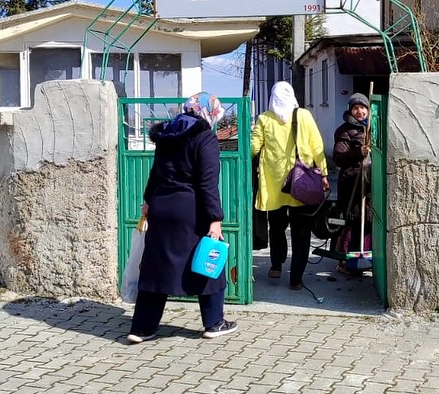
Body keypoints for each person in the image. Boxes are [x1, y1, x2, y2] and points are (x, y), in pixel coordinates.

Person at [128, 92, 237, 343]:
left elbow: (156, 172)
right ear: (208, 112)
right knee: (209, 262)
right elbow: (207, 183)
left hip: (161, 208)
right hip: (191, 211)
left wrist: (147, 201)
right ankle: (214, 323)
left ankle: (142, 328)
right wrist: (215, 218)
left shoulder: (167, 133)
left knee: (156, 267)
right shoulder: (205, 137)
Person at [251, 81, 328, 290]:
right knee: (301, 232)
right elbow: (317, 145)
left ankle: (276, 265)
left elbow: (253, 148)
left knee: (276, 227)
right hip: (301, 183)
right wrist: (323, 173)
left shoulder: (265, 118)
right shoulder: (304, 115)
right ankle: (296, 278)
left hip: (274, 186)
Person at [332, 92, 372, 275]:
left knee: (368, 221)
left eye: (363, 107)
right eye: (356, 108)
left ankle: (366, 260)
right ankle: (345, 261)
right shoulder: (344, 131)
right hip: (351, 183)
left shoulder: (371, 128)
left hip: (369, 183)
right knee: (351, 222)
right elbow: (339, 158)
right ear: (350, 110)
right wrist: (358, 152)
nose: (360, 111)